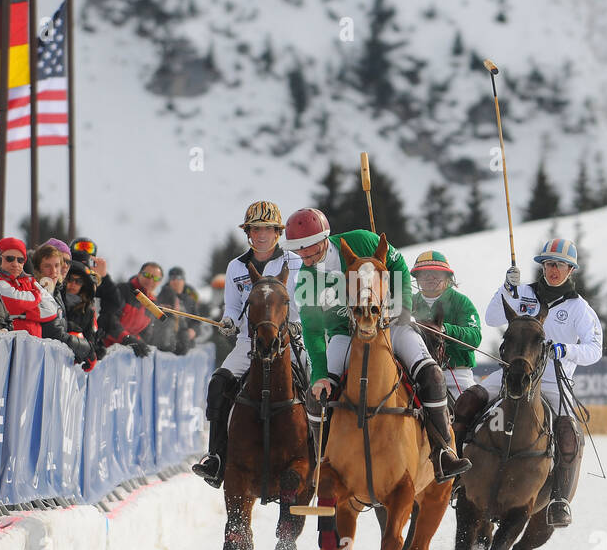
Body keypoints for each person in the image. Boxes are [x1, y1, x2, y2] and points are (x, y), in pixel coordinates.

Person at [282, 207, 469, 483]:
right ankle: (322, 463)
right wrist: (320, 374)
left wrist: (402, 306)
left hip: (391, 323)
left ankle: (443, 452)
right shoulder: (307, 280)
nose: (307, 256)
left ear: (325, 237)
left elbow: (399, 266)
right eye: (300, 252)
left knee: (431, 374)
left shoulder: (362, 241)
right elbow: (311, 330)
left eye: (311, 248)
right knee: (316, 396)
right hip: (344, 334)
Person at [452, 237, 603, 528]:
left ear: (571, 270)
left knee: (568, 433)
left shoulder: (579, 309)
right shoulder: (525, 293)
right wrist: (506, 289)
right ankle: (455, 473)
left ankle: (559, 499)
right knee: (469, 401)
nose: (553, 270)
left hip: (551, 381)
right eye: (548, 264)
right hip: (513, 373)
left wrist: (565, 349)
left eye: (559, 265)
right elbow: (493, 317)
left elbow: (595, 351)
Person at [192, 202, 305, 485]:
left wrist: (296, 323)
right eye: (256, 229)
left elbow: (303, 302)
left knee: (319, 385)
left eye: (267, 229)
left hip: (289, 340)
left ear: (278, 232)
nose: (261, 235)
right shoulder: (235, 267)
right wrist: (229, 320)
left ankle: (324, 457)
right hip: (249, 343)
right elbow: (232, 306)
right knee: (218, 384)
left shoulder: (295, 263)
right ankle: (217, 457)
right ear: (248, 233)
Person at [410, 250, 482, 397]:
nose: (429, 277)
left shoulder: (461, 302)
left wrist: (445, 330)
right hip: (417, 375)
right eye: (423, 273)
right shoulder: (408, 303)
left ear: (447, 277)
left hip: (455, 375)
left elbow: (475, 337)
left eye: (435, 273)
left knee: (468, 413)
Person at [71, 236, 123, 342]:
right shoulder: (65, 271)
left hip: (86, 329)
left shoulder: (94, 278)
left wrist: (104, 277)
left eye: (89, 248)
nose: (84, 251)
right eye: (80, 247)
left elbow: (115, 302)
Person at [0, 237, 44, 337]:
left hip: (34, 345)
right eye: (10, 259)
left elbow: (52, 311)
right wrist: (36, 297)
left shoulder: (29, 280)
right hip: (9, 346)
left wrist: (23, 315)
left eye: (20, 260)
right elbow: (16, 304)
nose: (15, 264)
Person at [153, 266, 202, 355]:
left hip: (186, 343)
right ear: (169, 281)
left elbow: (197, 322)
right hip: (167, 341)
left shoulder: (189, 300)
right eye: (173, 278)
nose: (176, 281)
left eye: (179, 278)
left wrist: (193, 331)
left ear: (183, 281)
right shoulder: (162, 297)